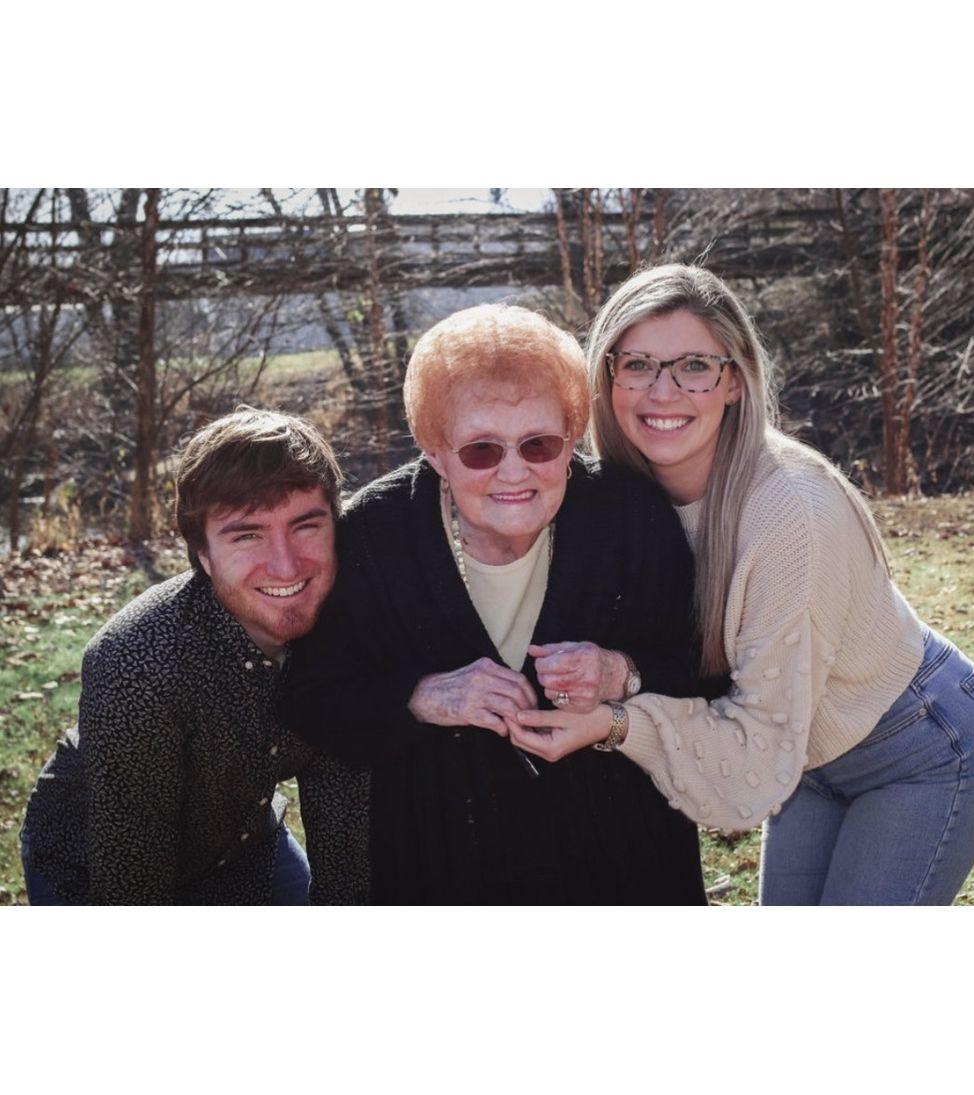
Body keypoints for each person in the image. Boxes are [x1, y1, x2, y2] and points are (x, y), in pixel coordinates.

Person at [511, 264, 974, 905]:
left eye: (694, 366)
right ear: (606, 380)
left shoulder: (789, 513)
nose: (663, 392)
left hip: (914, 747)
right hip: (800, 757)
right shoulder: (622, 502)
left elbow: (750, 761)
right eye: (637, 364)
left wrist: (612, 723)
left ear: (735, 382)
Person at [281, 303, 716, 904]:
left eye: (539, 445)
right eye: (481, 451)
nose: (515, 472)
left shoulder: (631, 519)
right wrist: (424, 696)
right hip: (444, 866)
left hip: (620, 858)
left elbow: (708, 670)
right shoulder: (376, 536)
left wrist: (621, 671)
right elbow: (313, 699)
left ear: (571, 441)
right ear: (434, 451)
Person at [20, 408, 344, 904]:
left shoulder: (354, 629)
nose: (285, 564)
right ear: (202, 553)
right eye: (247, 535)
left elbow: (345, 837)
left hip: (246, 844)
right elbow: (132, 888)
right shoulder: (138, 663)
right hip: (90, 867)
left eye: (305, 527)